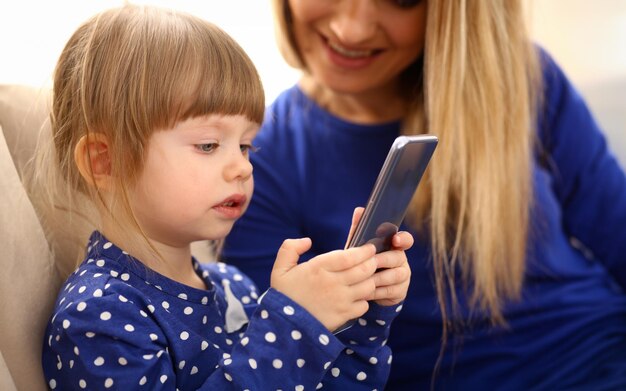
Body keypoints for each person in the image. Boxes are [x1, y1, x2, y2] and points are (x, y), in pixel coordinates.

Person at [221, 0, 626, 389]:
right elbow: (285, 365)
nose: (352, 29)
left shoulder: (522, 76)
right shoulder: (253, 166)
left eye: (402, 0)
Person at [38, 5, 415, 390]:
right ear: (105, 162)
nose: (242, 167)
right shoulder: (100, 315)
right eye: (208, 144)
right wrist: (293, 328)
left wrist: (364, 315)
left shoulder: (233, 286)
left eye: (246, 145)